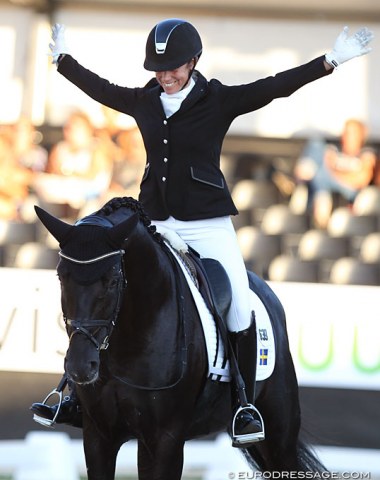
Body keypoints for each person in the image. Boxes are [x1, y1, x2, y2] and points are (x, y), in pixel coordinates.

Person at [31, 19, 373, 446]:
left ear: (193, 62)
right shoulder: (145, 100)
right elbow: (101, 89)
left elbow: (274, 86)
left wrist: (331, 60)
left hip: (207, 225)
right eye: (159, 68)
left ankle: (244, 402)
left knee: (239, 310)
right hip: (153, 222)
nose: (166, 75)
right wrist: (63, 61)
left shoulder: (218, 100)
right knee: (110, 293)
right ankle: (74, 395)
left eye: (174, 67)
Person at [294, 118, 377, 228]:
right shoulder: (334, 151)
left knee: (320, 175)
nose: (347, 136)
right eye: (346, 132)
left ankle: (318, 207)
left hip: (350, 193)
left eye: (352, 133)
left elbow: (361, 180)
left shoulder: (367, 154)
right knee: (316, 144)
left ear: (361, 135)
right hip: (324, 185)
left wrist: (332, 170)